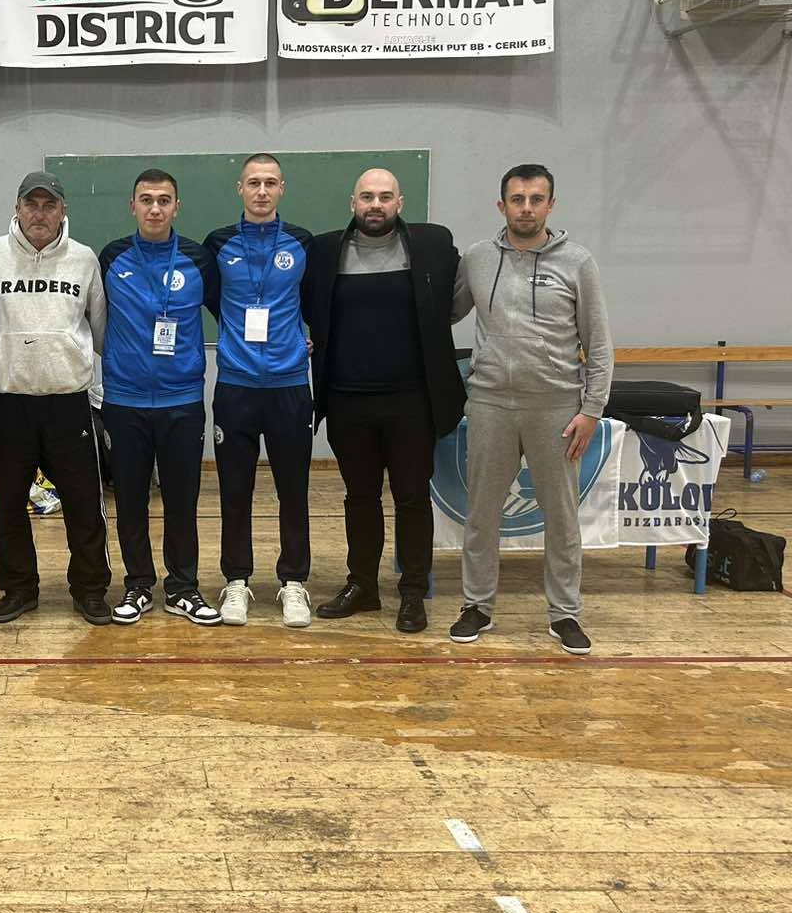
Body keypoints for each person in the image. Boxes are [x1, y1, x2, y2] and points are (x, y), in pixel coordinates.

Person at [451, 163, 614, 656]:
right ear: (501, 205)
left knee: (562, 517)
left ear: (551, 205)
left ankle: (564, 613)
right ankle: (477, 605)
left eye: (536, 199)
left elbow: (599, 343)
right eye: (517, 200)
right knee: (481, 514)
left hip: (556, 410)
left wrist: (592, 409)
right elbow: (442, 313)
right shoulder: (477, 259)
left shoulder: (578, 262)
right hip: (490, 405)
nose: (526, 208)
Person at [302, 168, 466, 634]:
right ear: (352, 203)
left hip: (412, 402)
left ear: (400, 202)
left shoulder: (432, 246)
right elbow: (307, 308)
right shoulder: (324, 251)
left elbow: (452, 305)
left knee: (412, 497)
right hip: (347, 401)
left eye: (385, 196)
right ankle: (363, 586)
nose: (376, 204)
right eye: (367, 196)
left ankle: (412, 592)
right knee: (360, 498)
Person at [0, 171, 111, 625]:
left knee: (83, 502)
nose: (40, 214)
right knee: (9, 503)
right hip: (10, 400)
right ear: (17, 208)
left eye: (49, 205)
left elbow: (100, 331)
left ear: (63, 211)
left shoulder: (84, 259)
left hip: (68, 400)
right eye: (31, 204)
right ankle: (19, 589)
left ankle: (90, 589)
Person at [97, 168, 221, 626]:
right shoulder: (112, 257)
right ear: (132, 206)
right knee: (130, 500)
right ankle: (137, 585)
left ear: (176, 207)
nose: (154, 208)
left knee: (182, 500)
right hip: (125, 400)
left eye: (163, 200)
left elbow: (233, 309)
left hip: (181, 400)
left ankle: (183, 588)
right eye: (146, 200)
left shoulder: (198, 259)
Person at [205, 154, 315, 628]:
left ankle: (294, 582)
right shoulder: (218, 244)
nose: (262, 191)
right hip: (236, 385)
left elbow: (316, 300)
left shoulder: (303, 243)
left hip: (290, 385)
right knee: (235, 490)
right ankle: (236, 580)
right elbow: (211, 298)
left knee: (294, 489)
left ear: (282, 188)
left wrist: (302, 339)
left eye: (271, 183)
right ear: (240, 188)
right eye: (254, 183)